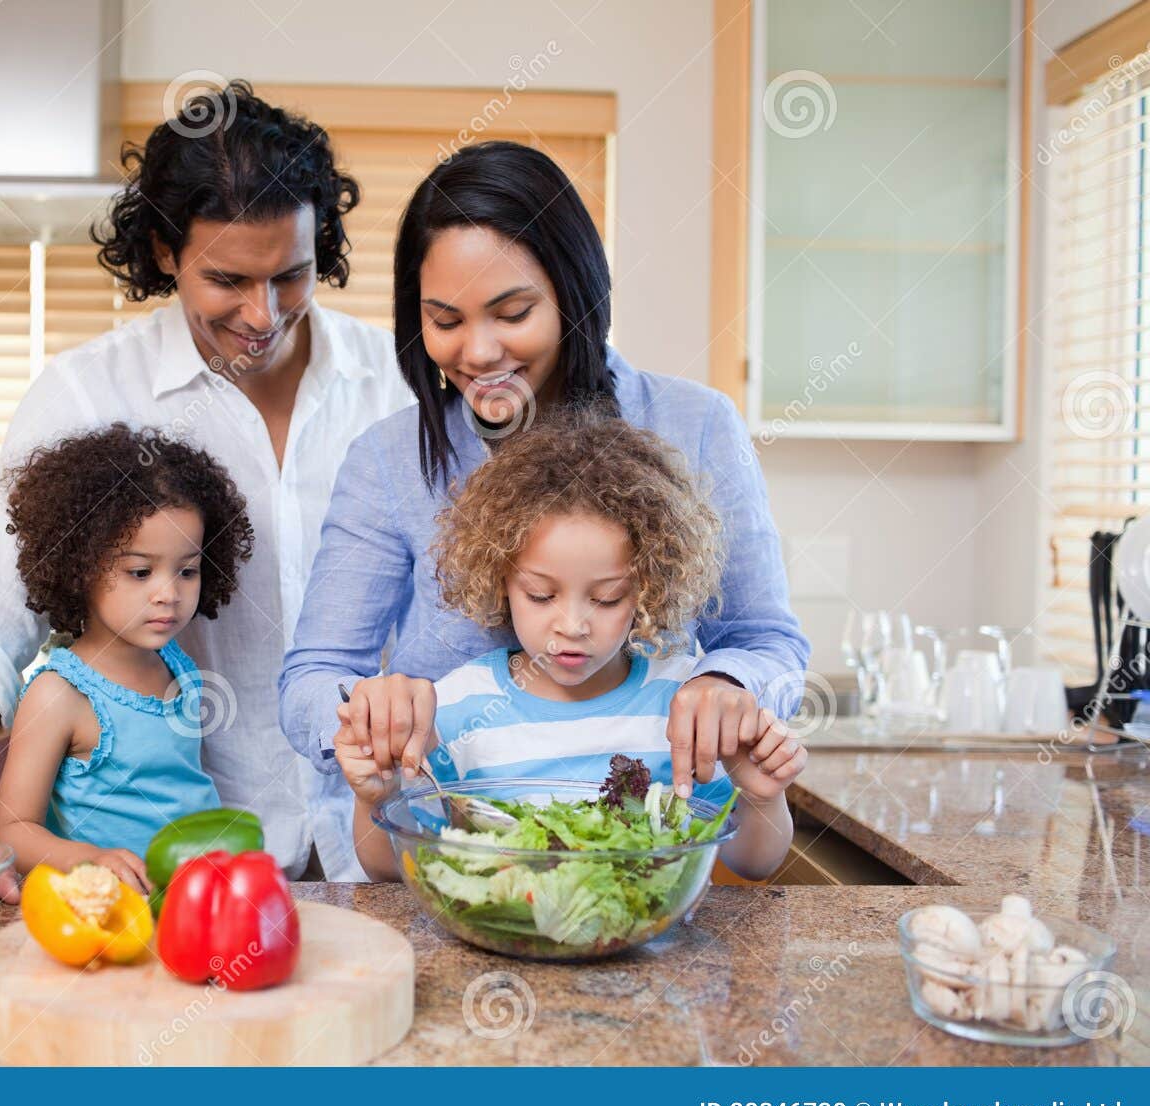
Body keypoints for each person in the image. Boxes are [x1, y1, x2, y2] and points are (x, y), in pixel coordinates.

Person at [0, 82, 410, 896]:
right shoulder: (85, 395)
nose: (263, 313)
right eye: (227, 281)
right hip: (184, 878)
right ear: (166, 253)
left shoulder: (401, 388)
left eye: (292, 274)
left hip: (387, 854)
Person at [280, 141, 810, 880]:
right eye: (445, 319)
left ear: (574, 290)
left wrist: (726, 688)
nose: (478, 350)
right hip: (456, 871)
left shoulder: (696, 425)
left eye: (513, 311)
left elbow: (766, 638)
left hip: (640, 880)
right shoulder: (389, 459)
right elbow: (313, 676)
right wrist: (368, 714)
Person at [332, 416, 803, 881]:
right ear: (501, 581)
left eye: (606, 598)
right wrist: (376, 796)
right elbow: (389, 871)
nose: (573, 625)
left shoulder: (681, 704)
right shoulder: (456, 708)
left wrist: (761, 797)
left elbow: (753, 863)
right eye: (541, 595)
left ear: (649, 590)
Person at [0, 425, 254, 889]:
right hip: (110, 910)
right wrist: (88, 858)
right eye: (140, 571)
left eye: (187, 570)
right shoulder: (60, 695)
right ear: (79, 567)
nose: (168, 594)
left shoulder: (177, 664)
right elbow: (12, 831)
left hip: (192, 899)